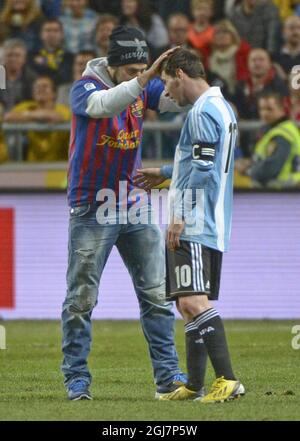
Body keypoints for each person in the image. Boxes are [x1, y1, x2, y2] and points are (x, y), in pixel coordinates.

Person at [62, 25, 188, 401]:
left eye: (143, 70)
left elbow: (174, 101)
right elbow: (105, 106)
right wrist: (144, 80)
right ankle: (77, 381)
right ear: (115, 66)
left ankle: (168, 378)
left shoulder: (139, 81)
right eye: (133, 71)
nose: (140, 76)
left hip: (132, 202)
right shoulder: (84, 88)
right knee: (81, 300)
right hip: (91, 205)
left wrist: (184, 77)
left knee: (156, 295)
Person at [134, 48, 245, 403]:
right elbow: (202, 161)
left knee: (194, 302)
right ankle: (195, 385)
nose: (166, 93)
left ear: (180, 75)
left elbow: (202, 170)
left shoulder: (200, 112)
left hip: (195, 221)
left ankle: (227, 379)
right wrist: (167, 173)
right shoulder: (222, 108)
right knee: (185, 304)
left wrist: (180, 216)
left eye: (167, 83)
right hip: (211, 219)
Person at [235, 92, 300, 188]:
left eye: (269, 109)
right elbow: (264, 158)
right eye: (261, 109)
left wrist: (248, 170)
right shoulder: (274, 129)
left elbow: (271, 168)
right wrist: (249, 162)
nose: (264, 113)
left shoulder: (281, 134)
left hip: (283, 190)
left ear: (282, 109)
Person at [4, 76, 70, 161]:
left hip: (58, 165)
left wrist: (27, 116)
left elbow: (56, 117)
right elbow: (8, 117)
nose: (40, 89)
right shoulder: (28, 106)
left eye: (45, 86)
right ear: (33, 93)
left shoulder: (62, 109)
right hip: (33, 165)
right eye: (37, 87)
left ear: (54, 94)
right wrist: (39, 115)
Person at [29, 18, 74, 86]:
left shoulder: (70, 57)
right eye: (48, 30)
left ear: (62, 34)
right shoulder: (31, 56)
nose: (52, 34)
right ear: (41, 34)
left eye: (55, 31)